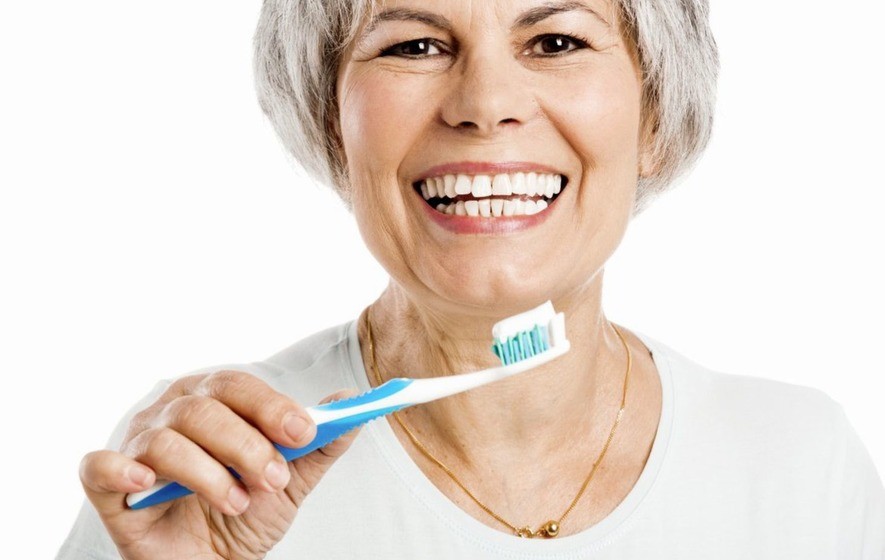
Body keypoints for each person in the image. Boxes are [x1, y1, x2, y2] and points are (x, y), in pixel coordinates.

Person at [57, 0, 885, 558]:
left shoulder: (799, 462)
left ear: (655, 118)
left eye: (555, 41)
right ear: (332, 125)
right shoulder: (206, 470)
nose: (485, 103)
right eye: (414, 45)